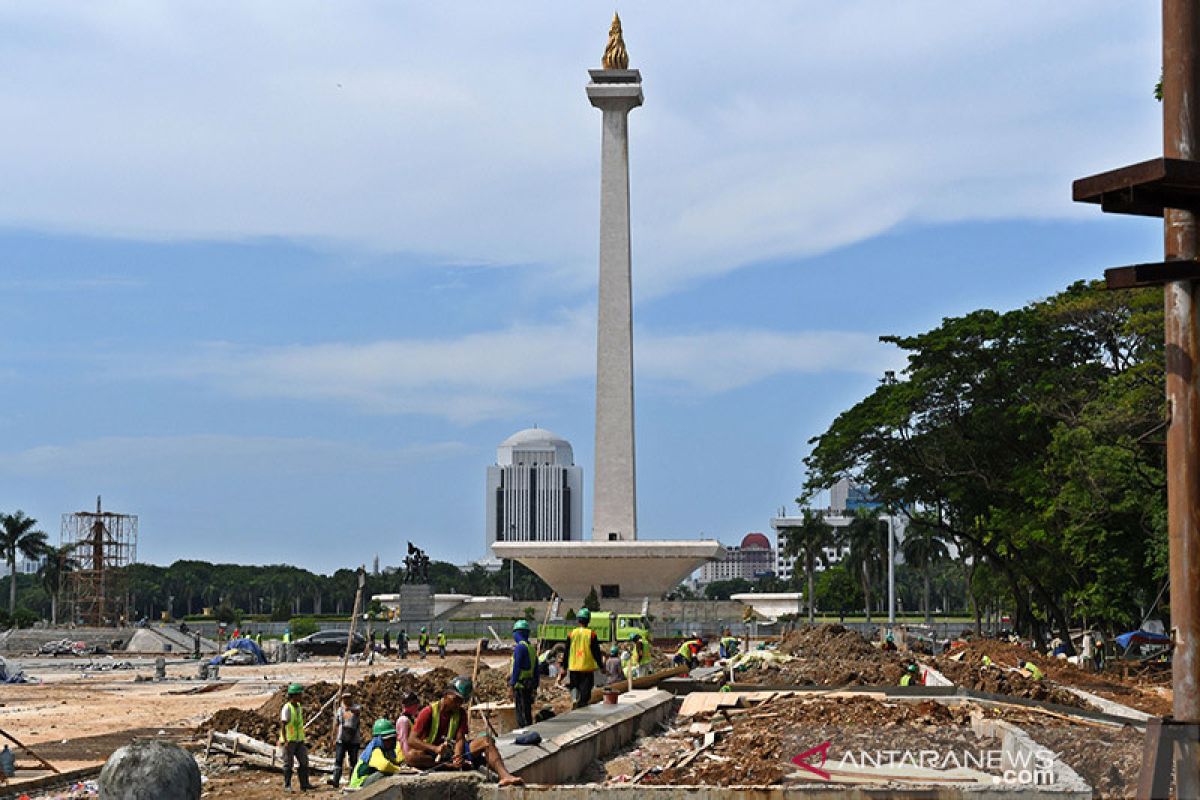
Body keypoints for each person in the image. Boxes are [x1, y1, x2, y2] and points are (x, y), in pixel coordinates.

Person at [403, 677, 524, 786]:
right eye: (456, 700)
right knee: (411, 757)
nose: (458, 704)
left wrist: (457, 755)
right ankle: (447, 767)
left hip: (451, 749)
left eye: (461, 701)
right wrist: (434, 749)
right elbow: (412, 740)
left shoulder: (460, 713)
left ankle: (505, 776)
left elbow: (460, 738)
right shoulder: (428, 712)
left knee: (486, 741)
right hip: (434, 754)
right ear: (447, 694)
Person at [348, 719, 404, 789]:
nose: (390, 742)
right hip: (359, 785)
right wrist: (400, 770)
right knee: (384, 773)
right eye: (386, 740)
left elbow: (396, 760)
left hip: (367, 781)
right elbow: (384, 766)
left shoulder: (387, 751)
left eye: (392, 739)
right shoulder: (375, 750)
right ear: (379, 739)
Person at [567, 609, 604, 709]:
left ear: (578, 620)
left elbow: (567, 651)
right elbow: (596, 652)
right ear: (588, 620)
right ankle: (582, 704)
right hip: (586, 667)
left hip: (573, 666)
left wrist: (563, 666)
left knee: (574, 685)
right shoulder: (591, 634)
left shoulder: (571, 634)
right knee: (586, 689)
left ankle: (575, 699)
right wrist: (601, 666)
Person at [278, 683, 312, 792]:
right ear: (294, 695)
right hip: (289, 741)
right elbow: (283, 724)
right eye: (299, 694)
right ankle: (287, 785)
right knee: (288, 764)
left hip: (299, 740)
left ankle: (305, 784)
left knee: (304, 762)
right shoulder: (287, 708)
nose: (301, 696)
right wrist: (285, 740)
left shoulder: (298, 707)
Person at [509, 620, 539, 728]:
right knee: (527, 711)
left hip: (520, 685)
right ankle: (529, 729)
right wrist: (536, 686)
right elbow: (536, 669)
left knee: (521, 714)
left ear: (517, 633)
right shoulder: (531, 648)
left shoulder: (520, 647)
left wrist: (512, 684)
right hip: (529, 684)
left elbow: (517, 667)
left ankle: (524, 732)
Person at [329, 693, 362, 787]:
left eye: (348, 698)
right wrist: (333, 737)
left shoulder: (356, 707)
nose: (346, 700)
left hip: (354, 739)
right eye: (344, 699)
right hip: (341, 738)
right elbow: (336, 723)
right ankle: (336, 780)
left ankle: (352, 781)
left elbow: (357, 711)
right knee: (338, 760)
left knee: (353, 761)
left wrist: (349, 709)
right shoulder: (340, 710)